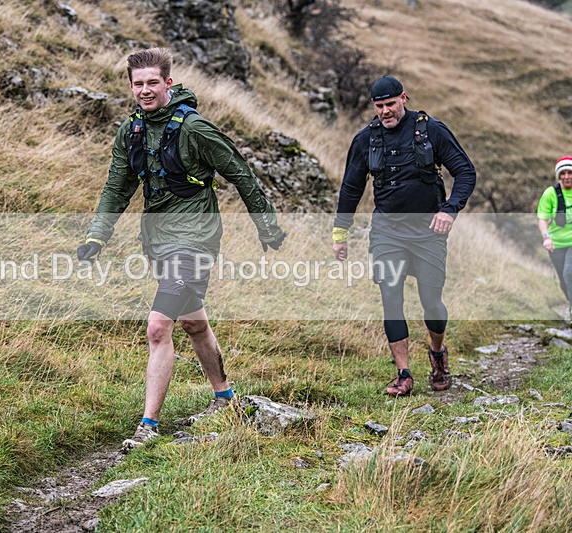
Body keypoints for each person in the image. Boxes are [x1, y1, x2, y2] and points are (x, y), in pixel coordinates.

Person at [77, 48, 285, 451]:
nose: (145, 90)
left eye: (152, 82)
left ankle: (148, 426)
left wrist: (267, 225)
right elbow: (117, 187)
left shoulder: (195, 129)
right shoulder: (131, 131)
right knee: (194, 323)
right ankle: (226, 399)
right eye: (138, 83)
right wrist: (96, 235)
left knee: (159, 327)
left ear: (168, 83)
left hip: (196, 239)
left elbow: (240, 173)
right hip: (157, 240)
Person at [332, 75, 476, 396]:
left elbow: (465, 171)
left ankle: (438, 356)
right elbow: (351, 189)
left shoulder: (431, 130)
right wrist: (340, 232)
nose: (386, 112)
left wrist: (449, 209)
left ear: (404, 98)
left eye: (391, 104)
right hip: (387, 231)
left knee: (431, 302)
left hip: (428, 231)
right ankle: (403, 374)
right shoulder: (365, 140)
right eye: (380, 107)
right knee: (390, 297)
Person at [538, 156, 572, 320]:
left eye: (570, 172)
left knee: (569, 273)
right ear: (558, 176)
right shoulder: (551, 194)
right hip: (556, 244)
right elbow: (543, 219)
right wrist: (546, 238)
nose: (566, 176)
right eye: (563, 173)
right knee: (563, 281)